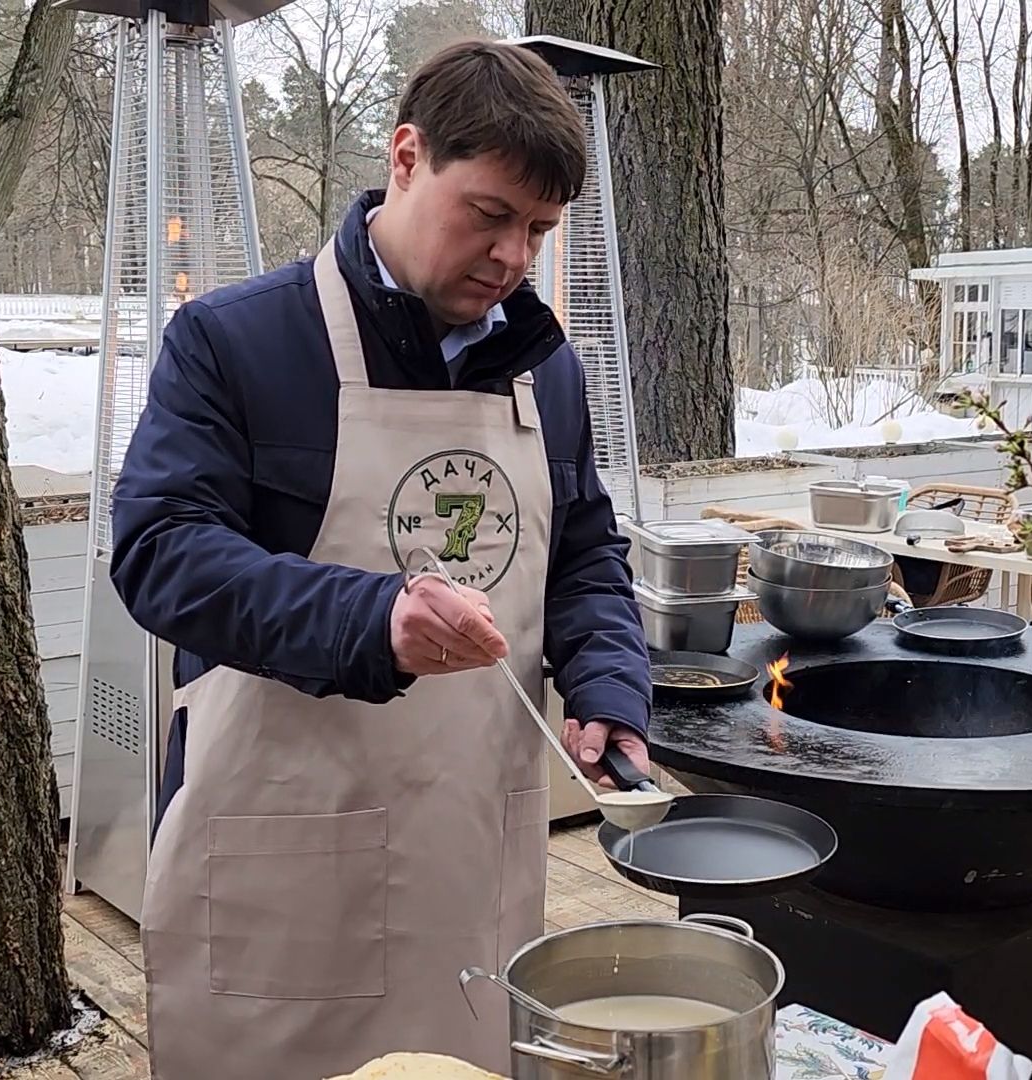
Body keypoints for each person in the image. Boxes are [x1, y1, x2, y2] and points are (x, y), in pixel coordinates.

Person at [107, 40, 652, 1080]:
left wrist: (608, 683)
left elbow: (583, 552)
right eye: (488, 214)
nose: (511, 258)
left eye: (537, 231)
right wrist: (374, 621)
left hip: (471, 855)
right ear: (407, 156)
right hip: (286, 843)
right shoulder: (236, 341)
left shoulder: (547, 371)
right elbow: (161, 552)